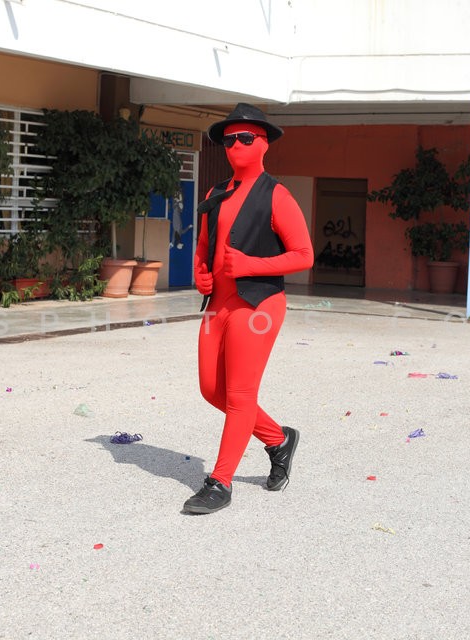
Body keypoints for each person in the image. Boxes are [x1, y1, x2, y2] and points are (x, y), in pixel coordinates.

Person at [183, 103, 314, 515]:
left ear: (264, 144)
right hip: (218, 305)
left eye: (245, 138)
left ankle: (220, 482)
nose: (235, 145)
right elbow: (204, 245)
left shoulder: (277, 195)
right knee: (211, 389)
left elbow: (304, 255)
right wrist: (200, 273)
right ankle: (278, 439)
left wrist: (251, 265)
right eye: (228, 140)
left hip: (258, 305)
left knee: (240, 394)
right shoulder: (214, 193)